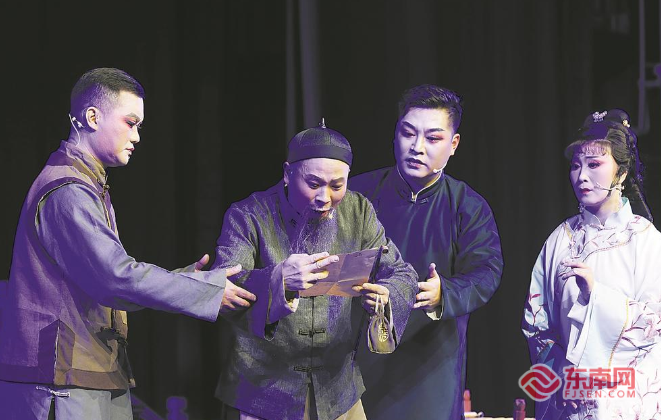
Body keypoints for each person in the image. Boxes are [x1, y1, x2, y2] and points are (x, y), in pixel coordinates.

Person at [0, 68, 255, 420]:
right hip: (63, 376)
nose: (136, 136)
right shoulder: (68, 190)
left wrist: (187, 281)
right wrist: (203, 291)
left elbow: (110, 280)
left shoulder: (88, 184)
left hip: (92, 369)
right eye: (130, 123)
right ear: (92, 117)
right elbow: (116, 279)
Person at [211, 121, 418, 420]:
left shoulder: (359, 212)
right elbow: (226, 285)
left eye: (337, 186)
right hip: (262, 391)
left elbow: (400, 273)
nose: (325, 197)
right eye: (313, 184)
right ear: (287, 173)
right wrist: (279, 279)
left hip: (338, 390)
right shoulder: (248, 215)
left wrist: (386, 295)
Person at [349, 84, 504, 420]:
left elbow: (486, 272)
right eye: (408, 133)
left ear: (453, 144)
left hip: (430, 366)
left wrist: (443, 292)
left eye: (433, 138)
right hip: (357, 359)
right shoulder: (358, 195)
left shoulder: (467, 205)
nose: (417, 147)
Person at [522, 109, 660, 419]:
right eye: (576, 166)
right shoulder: (560, 240)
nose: (582, 176)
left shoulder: (646, 241)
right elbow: (536, 324)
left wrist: (596, 295)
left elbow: (653, 325)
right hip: (567, 401)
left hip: (627, 400)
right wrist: (560, 374)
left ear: (621, 173)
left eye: (594, 164)